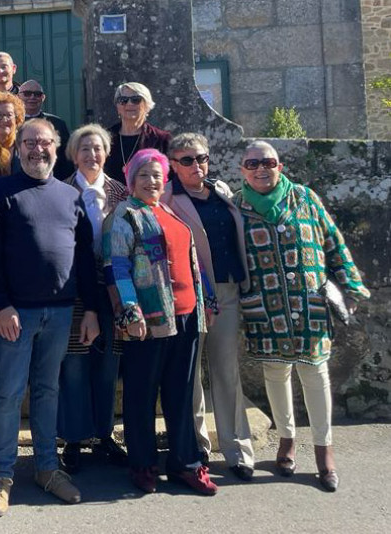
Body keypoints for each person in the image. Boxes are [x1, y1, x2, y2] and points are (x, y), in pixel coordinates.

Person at [0, 118, 99, 517]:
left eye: (44, 143)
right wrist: (1, 305)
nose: (37, 149)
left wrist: (92, 309)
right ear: (18, 147)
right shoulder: (0, 191)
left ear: (56, 147)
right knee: (9, 394)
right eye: (29, 142)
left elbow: (83, 258)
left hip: (61, 313)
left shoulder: (70, 195)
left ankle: (48, 468)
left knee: (48, 391)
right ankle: (0, 476)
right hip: (16, 313)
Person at [234, 140, 370, 492]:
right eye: (252, 163)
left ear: (280, 165)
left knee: (315, 374)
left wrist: (351, 285)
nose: (261, 168)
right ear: (242, 169)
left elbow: (333, 242)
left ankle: (325, 451)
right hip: (266, 308)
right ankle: (286, 440)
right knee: (276, 373)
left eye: (268, 162)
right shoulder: (236, 207)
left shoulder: (305, 198)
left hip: (308, 304)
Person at [102, 148, 217, 496]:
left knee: (181, 393)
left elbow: (190, 258)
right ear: (131, 180)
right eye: (143, 175)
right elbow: (116, 267)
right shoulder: (124, 215)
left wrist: (207, 297)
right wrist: (130, 311)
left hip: (186, 315)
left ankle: (185, 462)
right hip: (149, 319)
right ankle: (143, 464)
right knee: (141, 393)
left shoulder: (168, 210)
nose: (151, 181)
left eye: (156, 175)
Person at [161, 133, 256, 480]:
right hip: (191, 294)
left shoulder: (221, 192)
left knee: (227, 371)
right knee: (190, 376)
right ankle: (196, 446)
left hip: (227, 290)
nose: (196, 165)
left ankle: (238, 451)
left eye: (200, 158)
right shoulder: (167, 197)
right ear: (173, 165)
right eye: (186, 160)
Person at [57, 124, 128, 474]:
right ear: (73, 154)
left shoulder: (122, 193)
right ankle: (72, 438)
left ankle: (104, 435)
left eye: (98, 148)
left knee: (107, 366)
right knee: (73, 365)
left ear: (107, 153)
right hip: (73, 291)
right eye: (84, 148)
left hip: (113, 290)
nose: (91, 154)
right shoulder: (60, 192)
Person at [103, 82, 171, 184]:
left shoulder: (162, 139)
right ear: (118, 107)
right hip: (110, 197)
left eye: (136, 100)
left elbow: (170, 176)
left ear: (147, 105)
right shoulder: (105, 138)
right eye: (123, 100)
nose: (129, 103)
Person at [17, 79, 73, 178]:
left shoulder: (58, 124)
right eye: (27, 94)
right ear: (18, 97)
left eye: (37, 94)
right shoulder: (11, 124)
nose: (32, 97)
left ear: (43, 98)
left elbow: (67, 159)